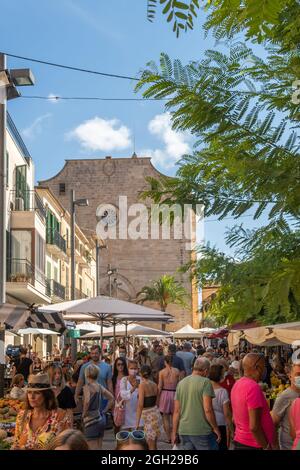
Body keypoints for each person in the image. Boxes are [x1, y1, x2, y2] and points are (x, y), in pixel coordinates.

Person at [12, 373, 72, 450]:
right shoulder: (22, 416)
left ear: (46, 395)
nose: (32, 397)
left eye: (37, 393)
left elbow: (68, 445)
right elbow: (16, 443)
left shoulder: (60, 417)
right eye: (29, 392)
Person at [172, 357, 221, 450]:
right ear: (206, 371)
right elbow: (208, 409)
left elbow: (177, 411)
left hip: (184, 430)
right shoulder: (205, 382)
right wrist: (215, 428)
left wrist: (174, 432)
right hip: (201, 430)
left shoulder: (181, 383)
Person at [231, 353, 276, 450]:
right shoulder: (253, 387)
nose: (265, 370)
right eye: (264, 366)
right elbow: (254, 427)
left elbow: (234, 419)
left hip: (240, 441)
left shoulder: (237, 384)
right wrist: (266, 446)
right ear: (257, 367)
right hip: (253, 445)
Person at [82, 364, 114, 450]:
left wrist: (84, 413)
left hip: (90, 420)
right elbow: (111, 398)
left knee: (91, 446)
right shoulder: (99, 386)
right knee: (99, 446)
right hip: (100, 418)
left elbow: (87, 401)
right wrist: (105, 410)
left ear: (86, 375)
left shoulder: (87, 387)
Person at [271, 363, 300, 450]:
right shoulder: (284, 397)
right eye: (298, 374)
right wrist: (275, 446)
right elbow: (273, 422)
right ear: (290, 376)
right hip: (288, 446)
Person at [136, 365, 163, 451]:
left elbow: (140, 404)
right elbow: (157, 402)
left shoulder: (142, 385)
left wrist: (137, 423)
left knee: (150, 444)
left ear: (140, 374)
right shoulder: (154, 384)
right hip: (155, 413)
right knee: (154, 444)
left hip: (148, 416)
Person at [209, 364, 233, 450]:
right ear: (219, 375)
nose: (224, 375)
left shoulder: (205, 388)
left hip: (207, 423)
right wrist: (231, 430)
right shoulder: (222, 392)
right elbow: (227, 414)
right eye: (223, 374)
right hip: (220, 424)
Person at [157, 356, 180, 443]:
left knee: (165, 417)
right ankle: (175, 435)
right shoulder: (177, 371)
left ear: (164, 362)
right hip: (175, 393)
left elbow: (159, 386)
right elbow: (179, 384)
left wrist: (157, 398)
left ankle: (168, 438)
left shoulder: (162, 372)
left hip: (165, 394)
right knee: (175, 415)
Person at [120, 360, 143, 430]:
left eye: (135, 368)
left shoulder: (141, 379)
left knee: (138, 434)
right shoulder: (124, 380)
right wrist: (133, 388)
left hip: (139, 412)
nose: (133, 370)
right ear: (128, 369)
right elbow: (123, 395)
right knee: (127, 435)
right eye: (131, 368)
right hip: (127, 412)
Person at [112, 357, 128, 433]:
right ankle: (118, 442)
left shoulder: (128, 377)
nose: (120, 366)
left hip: (127, 404)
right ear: (115, 366)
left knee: (126, 425)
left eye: (122, 364)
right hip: (117, 404)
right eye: (118, 364)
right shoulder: (113, 378)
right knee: (117, 425)